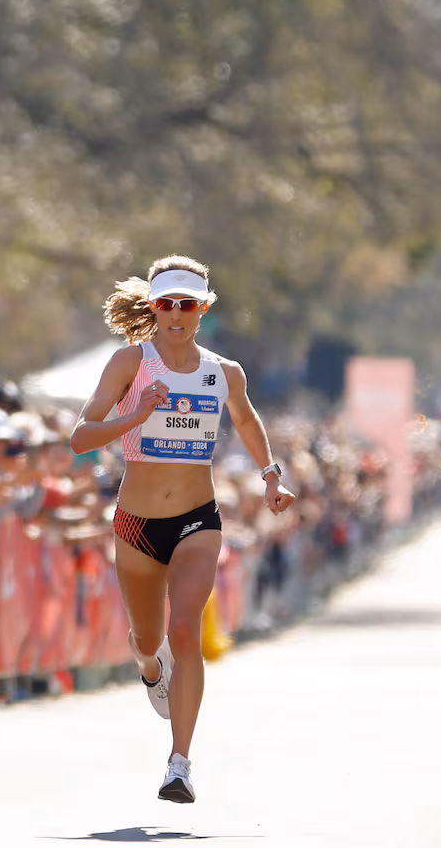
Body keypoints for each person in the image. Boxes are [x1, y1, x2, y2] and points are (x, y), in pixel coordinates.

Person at [69, 256, 295, 803]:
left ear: (203, 310)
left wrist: (271, 475)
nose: (175, 314)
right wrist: (137, 413)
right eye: (166, 304)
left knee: (186, 630)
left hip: (198, 519)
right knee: (149, 641)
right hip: (137, 523)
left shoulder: (225, 372)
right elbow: (80, 437)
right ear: (153, 307)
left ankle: (179, 763)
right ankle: (149, 668)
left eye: (186, 305)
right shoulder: (131, 362)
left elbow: (244, 419)